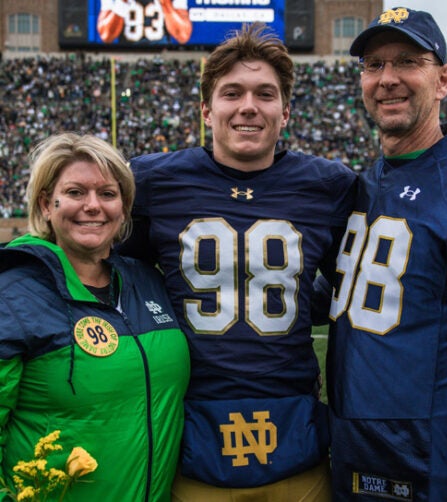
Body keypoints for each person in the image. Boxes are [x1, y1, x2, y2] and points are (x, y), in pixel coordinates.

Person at [119, 22, 357, 501]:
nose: (249, 106)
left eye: (265, 94)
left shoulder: (329, 185)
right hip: (193, 430)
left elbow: (345, 283)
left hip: (295, 430)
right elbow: (118, 276)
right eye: (232, 93)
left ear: (285, 111)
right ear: (207, 109)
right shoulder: (152, 181)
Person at [317, 6, 447, 501]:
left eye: (406, 62)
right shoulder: (368, 183)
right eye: (373, 65)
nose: (387, 79)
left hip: (433, 464)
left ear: (443, 79)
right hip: (356, 453)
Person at [0, 133, 190, 501]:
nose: (92, 206)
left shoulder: (149, 282)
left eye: (107, 193)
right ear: (45, 205)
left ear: (123, 207)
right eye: (75, 192)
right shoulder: (12, 293)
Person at [97, 0, 192, 45]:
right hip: (127, 53)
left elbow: (183, 36)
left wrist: (165, 4)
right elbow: (107, 36)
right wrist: (122, 3)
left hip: (162, 52)